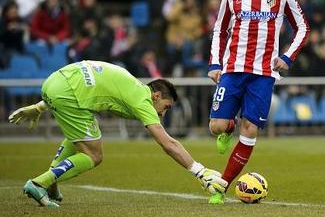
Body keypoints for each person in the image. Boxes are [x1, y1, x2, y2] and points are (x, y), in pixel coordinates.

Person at [9, 60, 227, 208]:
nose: (162, 114)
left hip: (55, 83)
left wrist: (39, 107)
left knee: (82, 136)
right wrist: (200, 171)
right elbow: (167, 143)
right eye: (166, 107)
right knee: (94, 155)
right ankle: (38, 184)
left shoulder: (128, 83)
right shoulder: (142, 98)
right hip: (68, 94)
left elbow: (86, 79)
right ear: (156, 95)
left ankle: (51, 184)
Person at [207, 0, 309, 204]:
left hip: (263, 73)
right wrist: (215, 64)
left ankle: (222, 186)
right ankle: (227, 128)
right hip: (232, 69)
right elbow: (220, 30)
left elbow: (303, 27)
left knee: (250, 130)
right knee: (216, 126)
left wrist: (287, 57)